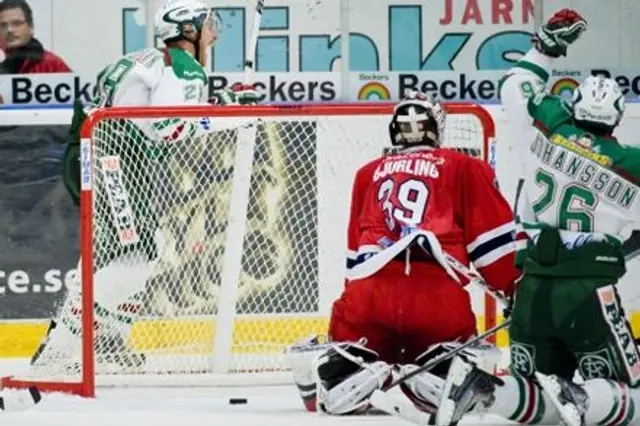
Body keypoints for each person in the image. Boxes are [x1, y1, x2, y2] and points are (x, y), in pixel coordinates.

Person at [29, 0, 259, 372]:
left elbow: (161, 116)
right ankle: (58, 349)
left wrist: (221, 107)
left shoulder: (147, 57)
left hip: (94, 150)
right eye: (208, 24)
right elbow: (169, 127)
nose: (214, 32)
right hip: (115, 156)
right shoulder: (183, 65)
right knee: (139, 254)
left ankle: (108, 341)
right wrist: (231, 115)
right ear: (188, 31)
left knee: (116, 254)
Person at [436, 9, 640, 426]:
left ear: (575, 105)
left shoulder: (547, 126)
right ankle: (582, 396)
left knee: (532, 397)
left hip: (530, 289)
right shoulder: (630, 164)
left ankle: (484, 389)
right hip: (588, 296)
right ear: (617, 117)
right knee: (630, 399)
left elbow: (516, 87)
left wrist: (546, 49)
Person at [286, 90, 521, 417]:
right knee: (454, 355)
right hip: (436, 296)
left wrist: (350, 312)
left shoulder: (368, 173)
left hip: (369, 293)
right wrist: (515, 290)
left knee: (351, 347)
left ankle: (349, 371)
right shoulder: (465, 166)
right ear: (437, 128)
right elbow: (493, 247)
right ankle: (436, 376)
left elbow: (356, 253)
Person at [0, 0, 71, 74]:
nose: (9, 30)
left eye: (17, 23)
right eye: (3, 25)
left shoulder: (52, 64)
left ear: (31, 27)